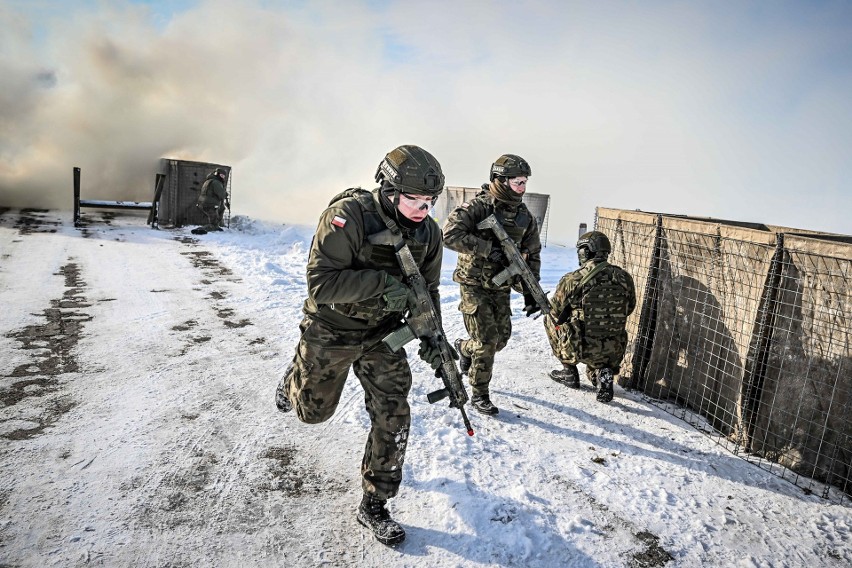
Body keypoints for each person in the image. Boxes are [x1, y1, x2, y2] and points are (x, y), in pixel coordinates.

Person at [274, 145, 447, 546]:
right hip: (332, 327)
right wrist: (383, 285)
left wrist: (432, 335)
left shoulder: (429, 233)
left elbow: (429, 289)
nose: (424, 209)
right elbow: (321, 283)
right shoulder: (348, 216)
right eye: (414, 200)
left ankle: (375, 502)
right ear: (388, 191)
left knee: (394, 411)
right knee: (312, 414)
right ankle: (297, 375)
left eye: (430, 202)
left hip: (382, 335)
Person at [442, 154, 542, 416]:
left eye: (524, 182)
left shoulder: (524, 218)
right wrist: (487, 249)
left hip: (501, 287)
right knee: (486, 341)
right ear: (500, 180)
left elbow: (533, 254)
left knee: (500, 340)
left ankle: (464, 347)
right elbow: (450, 234)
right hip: (473, 283)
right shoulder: (479, 207)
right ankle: (479, 394)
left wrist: (533, 292)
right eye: (518, 182)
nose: (523, 187)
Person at [544, 230, 636, 403]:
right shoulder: (624, 278)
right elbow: (629, 308)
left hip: (581, 347)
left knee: (549, 319)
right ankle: (604, 373)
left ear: (585, 252)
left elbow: (555, 311)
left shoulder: (573, 279)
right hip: (612, 350)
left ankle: (569, 371)